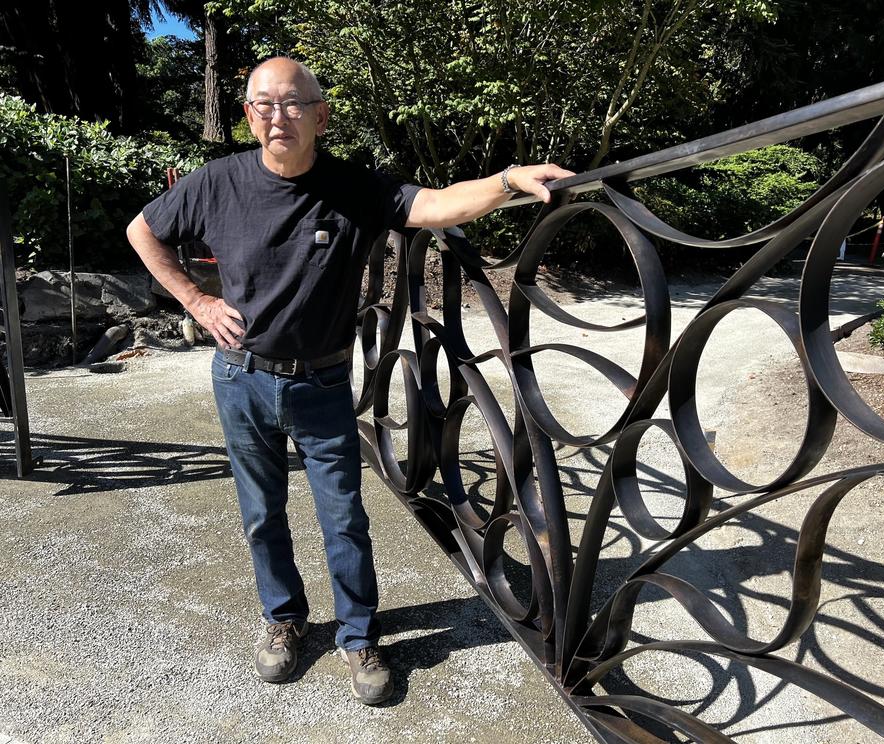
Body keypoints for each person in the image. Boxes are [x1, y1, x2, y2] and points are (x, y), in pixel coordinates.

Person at [126, 56, 573, 704]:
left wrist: (507, 179)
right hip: (241, 379)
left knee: (344, 520)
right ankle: (283, 620)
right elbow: (143, 229)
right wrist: (196, 302)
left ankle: (359, 636)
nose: (278, 115)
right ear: (249, 115)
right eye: (263, 104)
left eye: (292, 103)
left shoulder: (354, 187)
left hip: (323, 386)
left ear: (321, 115)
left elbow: (441, 205)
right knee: (261, 516)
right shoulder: (216, 182)